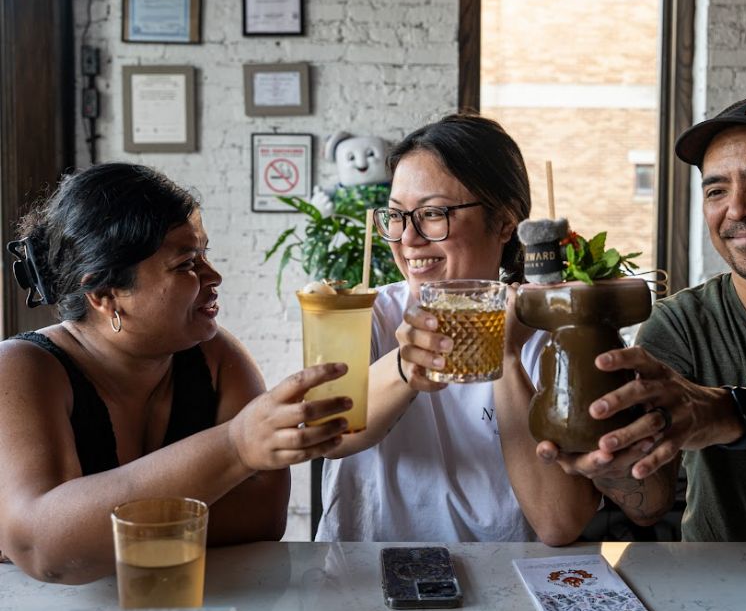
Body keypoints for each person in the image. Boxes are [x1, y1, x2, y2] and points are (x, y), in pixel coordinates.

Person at [0, 163, 350, 583]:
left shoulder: (216, 357)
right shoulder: (23, 369)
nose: (214, 276)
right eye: (186, 263)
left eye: (204, 253)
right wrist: (236, 446)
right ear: (105, 294)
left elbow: (263, 520)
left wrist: (89, 532)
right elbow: (46, 549)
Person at [538, 93, 746, 541]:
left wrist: (725, 412)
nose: (737, 210)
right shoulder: (679, 323)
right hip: (715, 589)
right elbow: (650, 505)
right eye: (716, 190)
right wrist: (612, 463)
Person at [315, 113, 599, 544]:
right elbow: (324, 435)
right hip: (365, 580)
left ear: (505, 223)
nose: (407, 239)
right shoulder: (367, 313)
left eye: (432, 213)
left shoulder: (553, 334)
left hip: (504, 588)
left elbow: (559, 522)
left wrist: (505, 354)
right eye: (396, 216)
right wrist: (406, 368)